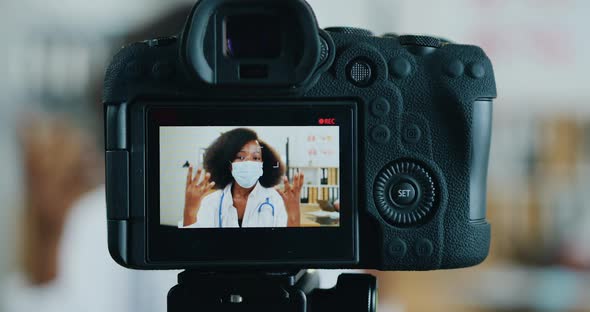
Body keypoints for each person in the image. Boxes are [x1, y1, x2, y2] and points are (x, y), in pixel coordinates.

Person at [181, 128, 304, 228]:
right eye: (240, 157)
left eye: (256, 158)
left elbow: (289, 247)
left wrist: (294, 213)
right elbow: (193, 247)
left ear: (263, 164)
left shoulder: (276, 201)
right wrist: (190, 210)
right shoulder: (211, 202)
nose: (249, 163)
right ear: (229, 165)